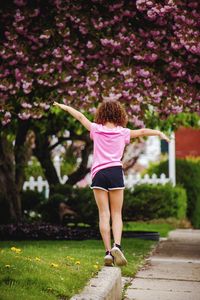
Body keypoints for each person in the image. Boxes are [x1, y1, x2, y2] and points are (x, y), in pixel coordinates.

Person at [53, 100, 170, 267]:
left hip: (99, 174)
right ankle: (117, 246)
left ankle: (108, 252)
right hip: (115, 172)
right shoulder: (123, 133)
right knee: (116, 214)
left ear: (102, 114)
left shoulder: (96, 129)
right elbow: (143, 131)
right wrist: (159, 133)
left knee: (103, 214)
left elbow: (79, 116)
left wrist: (63, 106)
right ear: (119, 115)